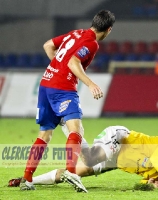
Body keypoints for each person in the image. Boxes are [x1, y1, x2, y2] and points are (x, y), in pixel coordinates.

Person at [19, 10, 115, 192]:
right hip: (62, 89)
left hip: (46, 84)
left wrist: (57, 68)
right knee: (76, 130)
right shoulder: (92, 43)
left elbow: (48, 45)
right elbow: (73, 62)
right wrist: (90, 83)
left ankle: (27, 178)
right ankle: (72, 172)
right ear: (108, 29)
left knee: (44, 135)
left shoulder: (76, 33)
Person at [11, 125, 158, 191]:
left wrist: (149, 184)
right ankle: (69, 127)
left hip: (117, 162)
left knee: (76, 171)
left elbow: (144, 181)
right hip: (119, 139)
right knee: (91, 158)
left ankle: (27, 180)